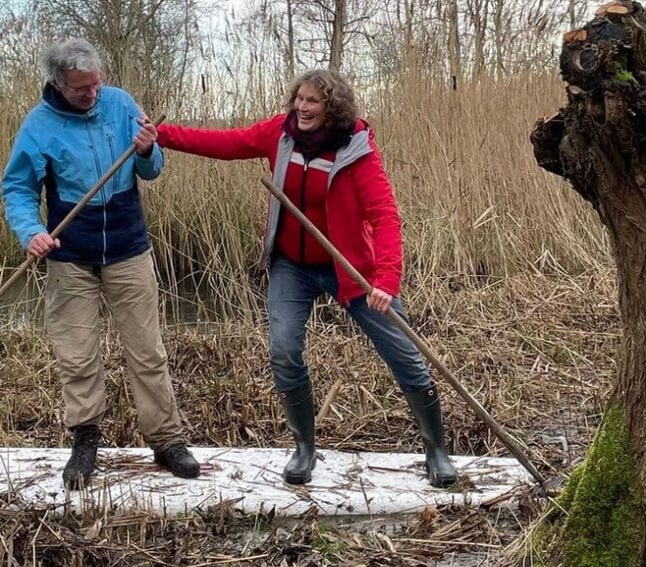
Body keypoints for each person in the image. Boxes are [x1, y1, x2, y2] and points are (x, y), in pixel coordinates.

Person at [155, 69, 458, 488]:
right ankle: (304, 449)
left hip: (350, 269)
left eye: (313, 100)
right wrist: (162, 135)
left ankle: (436, 451)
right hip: (291, 267)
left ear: (332, 107)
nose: (302, 107)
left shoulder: (356, 151)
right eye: (299, 98)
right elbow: (224, 143)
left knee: (403, 353)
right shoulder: (279, 136)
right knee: (283, 350)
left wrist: (386, 281)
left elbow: (385, 217)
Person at [2, 39, 201, 488]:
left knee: (147, 351)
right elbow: (17, 189)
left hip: (129, 248)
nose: (93, 94)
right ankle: (85, 439)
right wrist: (30, 231)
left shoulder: (121, 104)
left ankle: (166, 440)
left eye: (96, 84)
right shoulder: (38, 126)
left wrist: (148, 150)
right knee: (77, 355)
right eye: (81, 89)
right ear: (58, 84)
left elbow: (152, 170)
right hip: (70, 254)